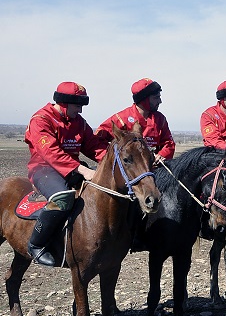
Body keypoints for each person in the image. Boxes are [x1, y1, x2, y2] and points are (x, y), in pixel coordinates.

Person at [24, 82, 108, 266]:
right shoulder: (41, 120)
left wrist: (112, 160)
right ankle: (36, 244)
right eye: (77, 106)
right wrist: (84, 170)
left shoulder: (78, 123)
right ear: (64, 103)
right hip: (44, 170)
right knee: (62, 198)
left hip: (73, 169)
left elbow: (93, 145)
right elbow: (51, 153)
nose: (80, 111)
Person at [96, 78, 175, 166]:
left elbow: (169, 143)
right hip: (129, 172)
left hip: (154, 170)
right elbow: (96, 140)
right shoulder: (121, 118)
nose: (160, 101)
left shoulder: (160, 119)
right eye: (156, 98)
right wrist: (111, 159)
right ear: (144, 99)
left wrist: (162, 155)